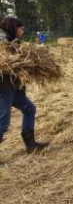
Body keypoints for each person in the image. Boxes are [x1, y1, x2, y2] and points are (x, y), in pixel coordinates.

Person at [0, 18, 49, 153]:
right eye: (20, 28)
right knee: (3, 121)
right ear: (13, 28)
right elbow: (6, 64)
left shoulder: (14, 42)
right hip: (4, 87)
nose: (23, 31)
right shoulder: (3, 43)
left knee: (29, 108)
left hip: (14, 87)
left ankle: (31, 144)